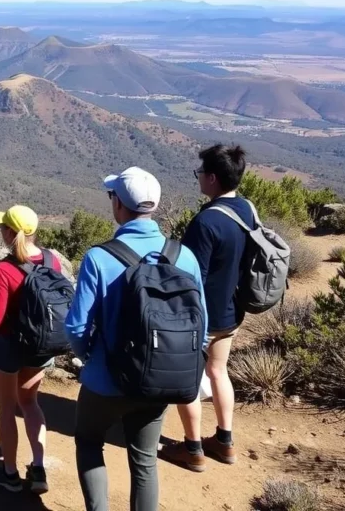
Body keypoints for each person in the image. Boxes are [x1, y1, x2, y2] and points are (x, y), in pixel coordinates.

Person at [65, 167, 207, 511]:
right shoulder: (183, 255)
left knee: (88, 442)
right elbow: (201, 329)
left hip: (105, 379)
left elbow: (76, 327)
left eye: (112, 196)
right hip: (158, 379)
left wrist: (87, 358)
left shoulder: (100, 257)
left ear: (119, 205)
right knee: (144, 461)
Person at [159, 144, 254, 472]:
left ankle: (193, 448)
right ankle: (225, 442)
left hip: (201, 316)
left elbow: (189, 274)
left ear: (212, 178)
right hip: (230, 310)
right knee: (218, 371)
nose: (198, 178)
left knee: (186, 381)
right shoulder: (246, 210)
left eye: (200, 173)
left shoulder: (207, 222)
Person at [0, 205, 62, 495]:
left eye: (2, 227)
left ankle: (9, 474)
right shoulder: (52, 260)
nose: (0, 230)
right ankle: (38, 467)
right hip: (40, 348)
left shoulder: (4, 269)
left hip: (8, 349)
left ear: (10, 232)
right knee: (31, 404)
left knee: (6, 409)